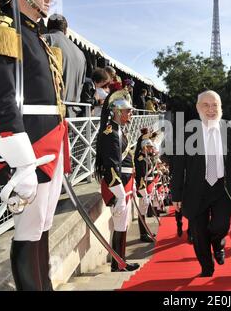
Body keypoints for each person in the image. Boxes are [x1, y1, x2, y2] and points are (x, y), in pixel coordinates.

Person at [0, 0, 71, 291]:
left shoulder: (38, 37)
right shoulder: (4, 27)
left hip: (52, 138)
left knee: (44, 224)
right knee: (28, 229)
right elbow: (0, 99)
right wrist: (19, 158)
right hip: (31, 142)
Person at [170, 90, 231, 277]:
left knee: (221, 226)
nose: (211, 109)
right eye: (206, 105)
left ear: (220, 108)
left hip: (222, 188)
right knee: (199, 234)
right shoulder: (185, 133)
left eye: (215, 105)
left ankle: (218, 243)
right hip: (196, 190)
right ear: (198, 108)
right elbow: (178, 168)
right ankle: (206, 267)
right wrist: (176, 195)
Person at [94, 89, 140, 272]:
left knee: (122, 225)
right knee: (120, 224)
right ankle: (118, 263)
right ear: (117, 112)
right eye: (127, 111)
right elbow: (111, 167)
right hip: (117, 185)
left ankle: (119, 262)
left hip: (125, 182)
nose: (130, 113)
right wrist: (120, 195)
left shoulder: (118, 130)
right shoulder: (111, 133)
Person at [44, 14, 86, 117]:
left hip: (51, 114)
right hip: (72, 116)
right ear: (65, 30)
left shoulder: (45, 40)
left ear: (47, 27)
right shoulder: (81, 53)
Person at [134, 132, 155, 243]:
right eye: (150, 147)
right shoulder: (140, 159)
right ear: (144, 147)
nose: (151, 149)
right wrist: (143, 192)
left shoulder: (146, 157)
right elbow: (141, 177)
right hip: (142, 187)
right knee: (142, 211)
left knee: (143, 211)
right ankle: (143, 234)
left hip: (146, 186)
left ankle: (145, 231)